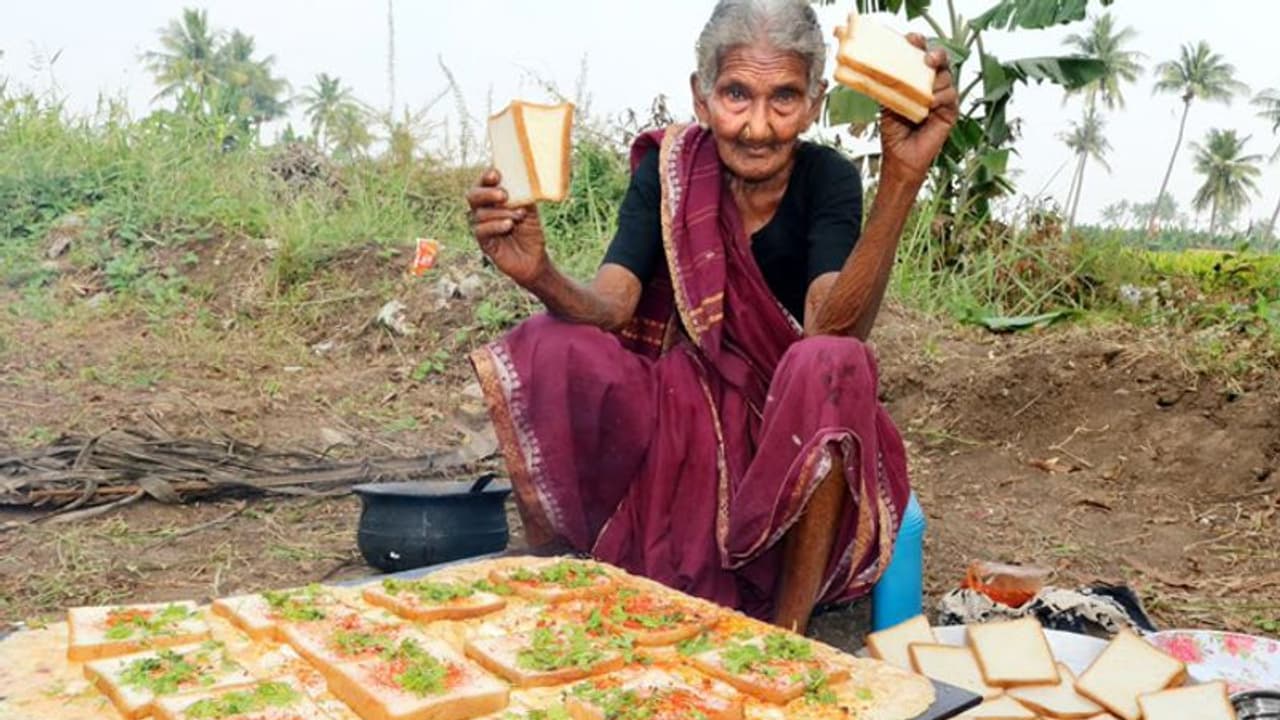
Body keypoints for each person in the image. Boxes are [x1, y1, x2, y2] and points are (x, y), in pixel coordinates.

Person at [465, 0, 957, 633]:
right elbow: (612, 306)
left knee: (833, 361)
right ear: (701, 97)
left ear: (815, 101)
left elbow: (831, 327)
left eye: (784, 98)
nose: (757, 126)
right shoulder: (672, 171)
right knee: (552, 342)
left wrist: (902, 180)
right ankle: (572, 577)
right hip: (685, 420)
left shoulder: (826, 179)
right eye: (735, 95)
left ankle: (788, 632)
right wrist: (540, 275)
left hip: (796, 427)